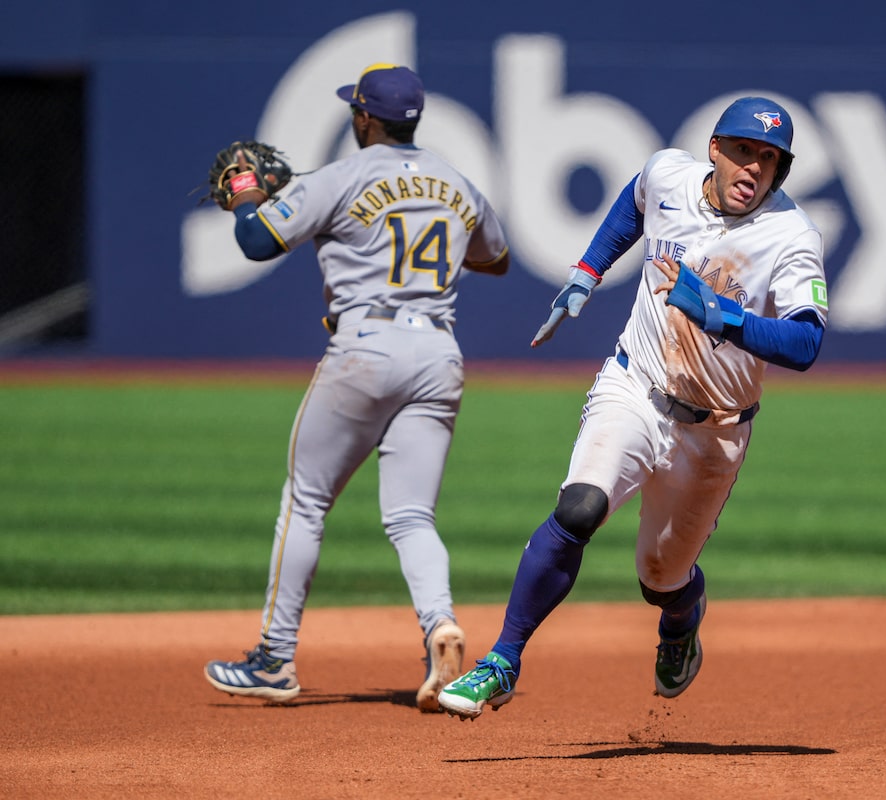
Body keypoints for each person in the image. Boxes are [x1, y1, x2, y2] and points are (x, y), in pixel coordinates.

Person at [436, 96, 827, 719]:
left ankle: (681, 619)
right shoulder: (670, 173)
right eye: (745, 151)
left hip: (715, 432)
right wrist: (588, 272)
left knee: (660, 578)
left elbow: (806, 342)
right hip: (635, 386)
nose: (755, 168)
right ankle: (502, 661)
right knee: (580, 506)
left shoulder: (791, 236)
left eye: (770, 160)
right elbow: (635, 199)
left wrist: (720, 315)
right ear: (716, 150)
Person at [203, 64, 510, 710]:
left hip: (367, 347)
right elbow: (497, 257)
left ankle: (274, 659)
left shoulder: (341, 177)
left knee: (307, 501)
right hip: (438, 353)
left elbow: (258, 243)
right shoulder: (457, 182)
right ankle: (441, 627)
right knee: (410, 516)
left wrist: (246, 197)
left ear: (365, 119)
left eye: (356, 110)